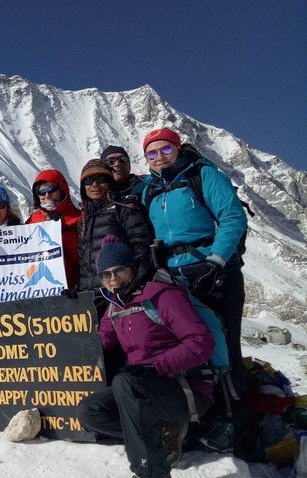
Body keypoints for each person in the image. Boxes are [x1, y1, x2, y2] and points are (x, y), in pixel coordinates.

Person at [78, 235, 215, 478]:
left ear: (132, 269)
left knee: (125, 383)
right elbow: (102, 343)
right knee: (90, 410)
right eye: (106, 275)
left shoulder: (161, 296)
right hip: (142, 392)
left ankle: (151, 471)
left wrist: (156, 368)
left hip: (183, 388)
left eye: (119, 270)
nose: (113, 279)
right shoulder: (115, 307)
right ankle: (161, 432)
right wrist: (67, 326)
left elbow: (202, 342)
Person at [138, 128, 248, 400]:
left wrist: (216, 261)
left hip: (215, 270)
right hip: (174, 277)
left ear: (178, 148)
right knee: (189, 345)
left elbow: (232, 217)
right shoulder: (150, 191)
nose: (159, 157)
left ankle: (235, 415)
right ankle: (204, 411)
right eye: (152, 153)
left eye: (166, 149)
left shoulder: (203, 175)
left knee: (225, 342)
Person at [77, 158, 154, 383]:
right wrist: (79, 290)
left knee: (125, 354)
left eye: (101, 179)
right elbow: (85, 262)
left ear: (110, 182)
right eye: (89, 181)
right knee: (99, 356)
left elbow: (142, 246)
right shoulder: (84, 220)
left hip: (119, 293)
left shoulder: (124, 209)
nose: (95, 185)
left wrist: (132, 286)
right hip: (93, 298)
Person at [25, 169, 82, 289]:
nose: (47, 196)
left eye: (51, 190)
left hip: (75, 286)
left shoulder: (77, 218)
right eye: (41, 192)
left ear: (61, 189)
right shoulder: (32, 221)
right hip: (41, 289)